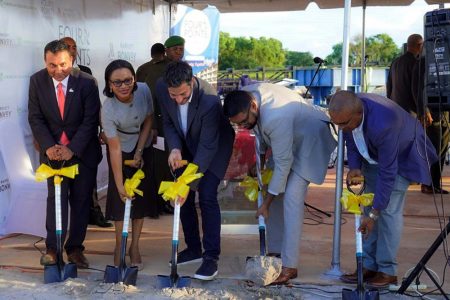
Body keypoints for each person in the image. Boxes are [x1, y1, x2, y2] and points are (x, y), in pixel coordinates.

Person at [223, 84, 337, 284]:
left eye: (244, 121)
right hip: (287, 139)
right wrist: (258, 163)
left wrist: (265, 204)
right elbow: (260, 135)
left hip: (311, 140)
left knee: (291, 196)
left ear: (254, 106)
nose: (243, 127)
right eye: (238, 124)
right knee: (272, 188)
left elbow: (284, 164)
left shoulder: (276, 116)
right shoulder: (248, 95)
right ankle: (275, 253)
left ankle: (289, 266)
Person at [329, 91, 437, 288]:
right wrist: (354, 167)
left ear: (358, 115)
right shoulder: (349, 115)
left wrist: (375, 214)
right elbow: (351, 139)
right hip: (375, 155)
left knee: (386, 212)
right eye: (337, 123)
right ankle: (369, 266)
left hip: (402, 158)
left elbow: (388, 173)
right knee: (366, 206)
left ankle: (387, 271)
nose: (340, 128)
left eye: (343, 123)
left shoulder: (384, 124)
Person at [155, 61, 235, 280]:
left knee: (207, 193)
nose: (178, 100)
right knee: (184, 197)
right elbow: (169, 123)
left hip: (214, 147)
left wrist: (189, 184)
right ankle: (193, 248)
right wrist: (174, 149)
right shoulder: (162, 88)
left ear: (192, 81)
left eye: (182, 94)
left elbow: (208, 146)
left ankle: (211, 257)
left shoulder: (209, 100)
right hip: (186, 143)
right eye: (174, 95)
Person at [28, 39, 102, 269]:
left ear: (71, 60)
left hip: (82, 154)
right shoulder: (37, 81)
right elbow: (35, 117)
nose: (58, 71)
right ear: (45, 61)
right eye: (52, 65)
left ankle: (75, 249)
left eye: (62, 65)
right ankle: (53, 248)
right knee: (55, 201)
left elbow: (91, 121)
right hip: (52, 155)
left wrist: (72, 148)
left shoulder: (87, 83)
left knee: (80, 202)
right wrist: (49, 146)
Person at [101, 59, 154, 269]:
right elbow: (114, 148)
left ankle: (135, 246)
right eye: (117, 82)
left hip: (142, 142)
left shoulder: (143, 90)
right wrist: (120, 184)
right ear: (109, 84)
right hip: (120, 148)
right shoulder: (108, 109)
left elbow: (149, 119)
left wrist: (140, 150)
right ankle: (119, 246)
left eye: (127, 80)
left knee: (139, 200)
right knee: (119, 199)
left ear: (134, 80)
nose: (123, 86)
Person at [61, 36, 113, 227]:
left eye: (74, 47)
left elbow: (95, 106)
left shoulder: (86, 74)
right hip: (64, 142)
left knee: (87, 184)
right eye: (68, 47)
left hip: (87, 138)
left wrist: (102, 128)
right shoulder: (49, 77)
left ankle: (94, 213)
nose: (72, 50)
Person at [136, 42, 173, 217]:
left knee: (157, 165)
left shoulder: (143, 68)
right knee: (161, 166)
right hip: (158, 126)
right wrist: (155, 126)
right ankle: (160, 203)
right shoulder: (163, 69)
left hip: (150, 125)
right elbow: (149, 98)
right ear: (164, 52)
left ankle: (157, 203)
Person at [412, 56, 450, 194]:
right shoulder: (425, 61)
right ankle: (428, 183)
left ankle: (434, 183)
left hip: (444, 112)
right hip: (432, 114)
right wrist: (424, 111)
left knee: (442, 149)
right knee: (433, 150)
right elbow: (419, 88)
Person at [386, 34, 423, 115]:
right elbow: (416, 89)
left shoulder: (395, 62)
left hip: (395, 108)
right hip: (410, 111)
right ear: (420, 45)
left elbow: (389, 86)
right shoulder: (416, 63)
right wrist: (422, 111)